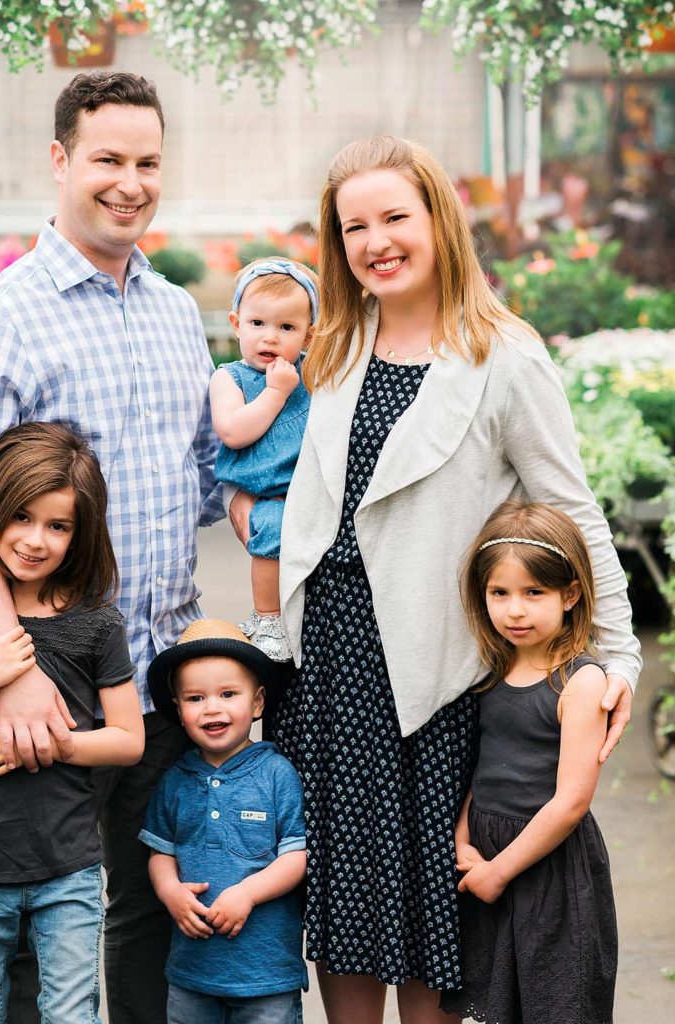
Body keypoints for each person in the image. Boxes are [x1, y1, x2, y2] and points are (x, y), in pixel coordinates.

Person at [256, 135, 642, 1024]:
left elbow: (571, 514)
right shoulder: (338, 342)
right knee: (346, 904)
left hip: (434, 670)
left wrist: (614, 657)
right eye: (354, 226)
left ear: (439, 219)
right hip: (334, 668)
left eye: (395, 216)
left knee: (437, 912)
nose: (374, 240)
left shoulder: (502, 355)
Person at [0, 72, 224, 1024]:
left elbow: (211, 483)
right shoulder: (4, 317)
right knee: (17, 930)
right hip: (44, 690)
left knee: (141, 920)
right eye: (107, 160)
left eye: (147, 163)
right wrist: (9, 674)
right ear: (60, 161)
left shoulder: (177, 313)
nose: (129, 183)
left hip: (153, 681)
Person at [0, 422, 145, 1024]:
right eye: (19, 517)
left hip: (67, 869)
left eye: (58, 525)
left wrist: (48, 744)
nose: (35, 540)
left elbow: (128, 740)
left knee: (72, 1014)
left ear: (80, 533)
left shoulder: (98, 624)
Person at [442, 500, 616, 1023]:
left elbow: (571, 802)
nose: (514, 610)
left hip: (548, 867)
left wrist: (498, 872)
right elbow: (483, 766)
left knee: (555, 1002)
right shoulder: (494, 668)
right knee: (501, 1003)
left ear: (570, 594)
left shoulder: (580, 682)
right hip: (488, 852)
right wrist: (462, 840)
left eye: (533, 593)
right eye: (499, 593)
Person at [140, 618, 308, 1023]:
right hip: (192, 975)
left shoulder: (276, 774)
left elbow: (296, 857)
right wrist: (170, 892)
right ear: (179, 711)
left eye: (228, 694)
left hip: (265, 975)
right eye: (195, 698)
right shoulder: (176, 780)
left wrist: (247, 893)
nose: (212, 707)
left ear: (257, 703)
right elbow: (161, 853)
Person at [211, 258, 318, 660]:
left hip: (306, 488)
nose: (269, 337)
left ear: (307, 336)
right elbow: (233, 431)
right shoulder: (230, 378)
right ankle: (268, 618)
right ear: (237, 324)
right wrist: (274, 393)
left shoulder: (311, 373)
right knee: (271, 534)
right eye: (258, 324)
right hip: (263, 490)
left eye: (286, 328)